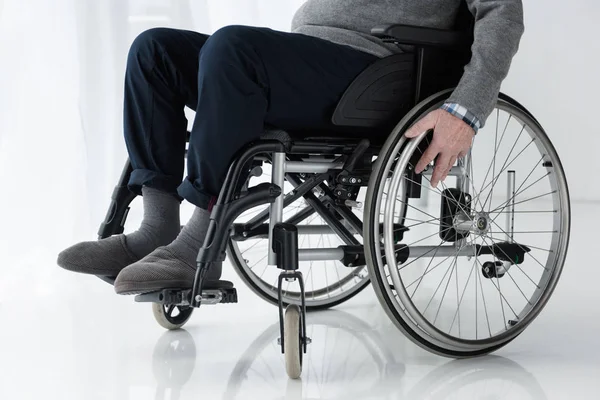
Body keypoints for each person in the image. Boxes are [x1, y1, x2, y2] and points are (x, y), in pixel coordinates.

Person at [57, 0, 524, 295]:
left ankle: (198, 244)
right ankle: (157, 228)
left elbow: (504, 12)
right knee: (154, 50)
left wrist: (465, 111)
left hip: (379, 71)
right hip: (311, 58)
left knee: (233, 49)